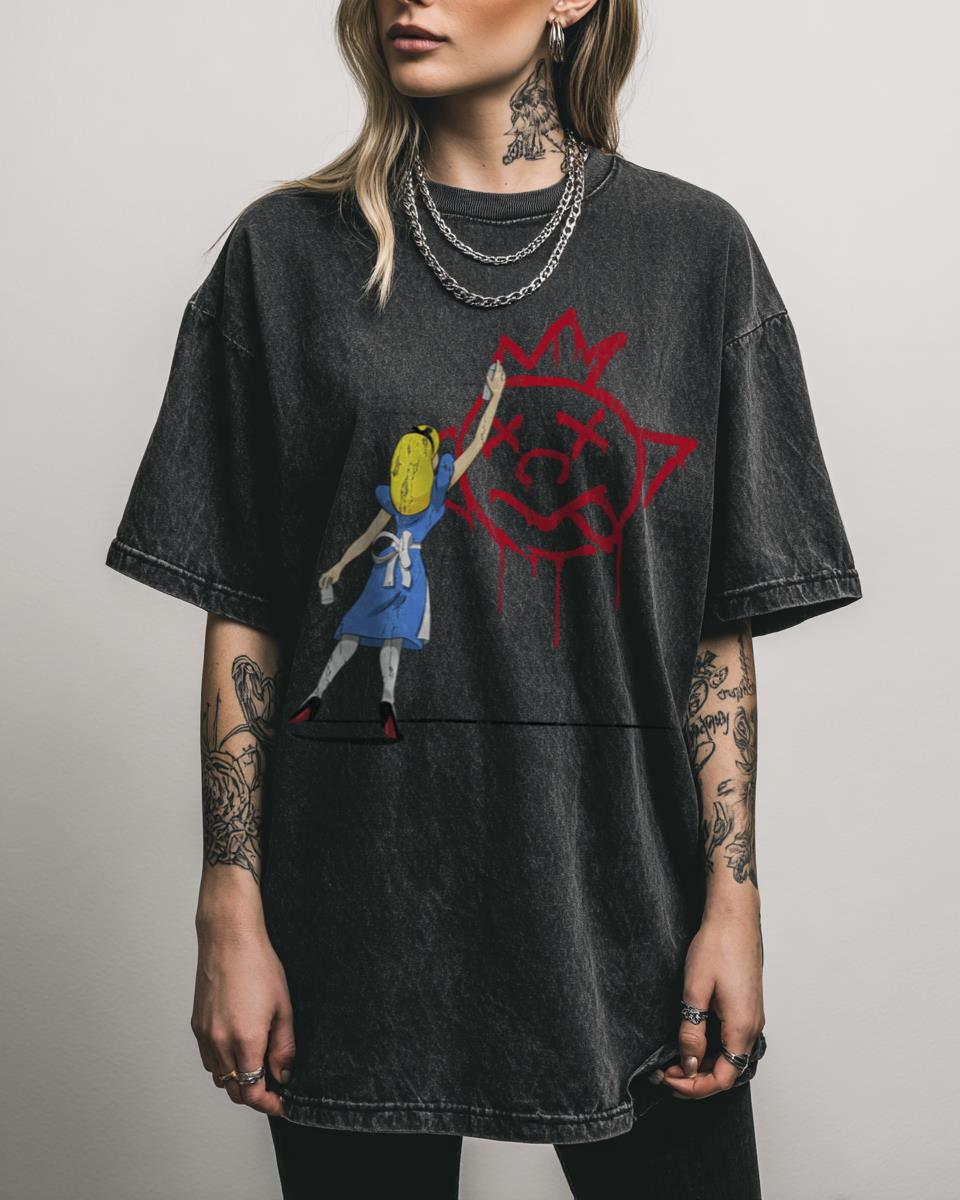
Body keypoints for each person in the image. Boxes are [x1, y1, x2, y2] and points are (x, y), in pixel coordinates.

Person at [104, 1, 864, 1196]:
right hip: (353, 919)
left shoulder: (695, 254)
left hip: (629, 910)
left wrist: (735, 900)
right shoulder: (284, 255)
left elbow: (715, 633)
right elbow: (244, 609)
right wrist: (229, 904)